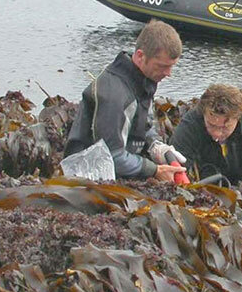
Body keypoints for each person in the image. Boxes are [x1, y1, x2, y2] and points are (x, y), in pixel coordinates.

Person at [64, 20, 187, 181]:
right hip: (87, 176)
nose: (168, 73)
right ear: (140, 56)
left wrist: (157, 146)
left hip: (124, 170)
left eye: (172, 66)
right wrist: (154, 170)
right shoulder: (114, 95)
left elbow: (142, 126)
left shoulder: (143, 80)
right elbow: (111, 157)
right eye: (162, 66)